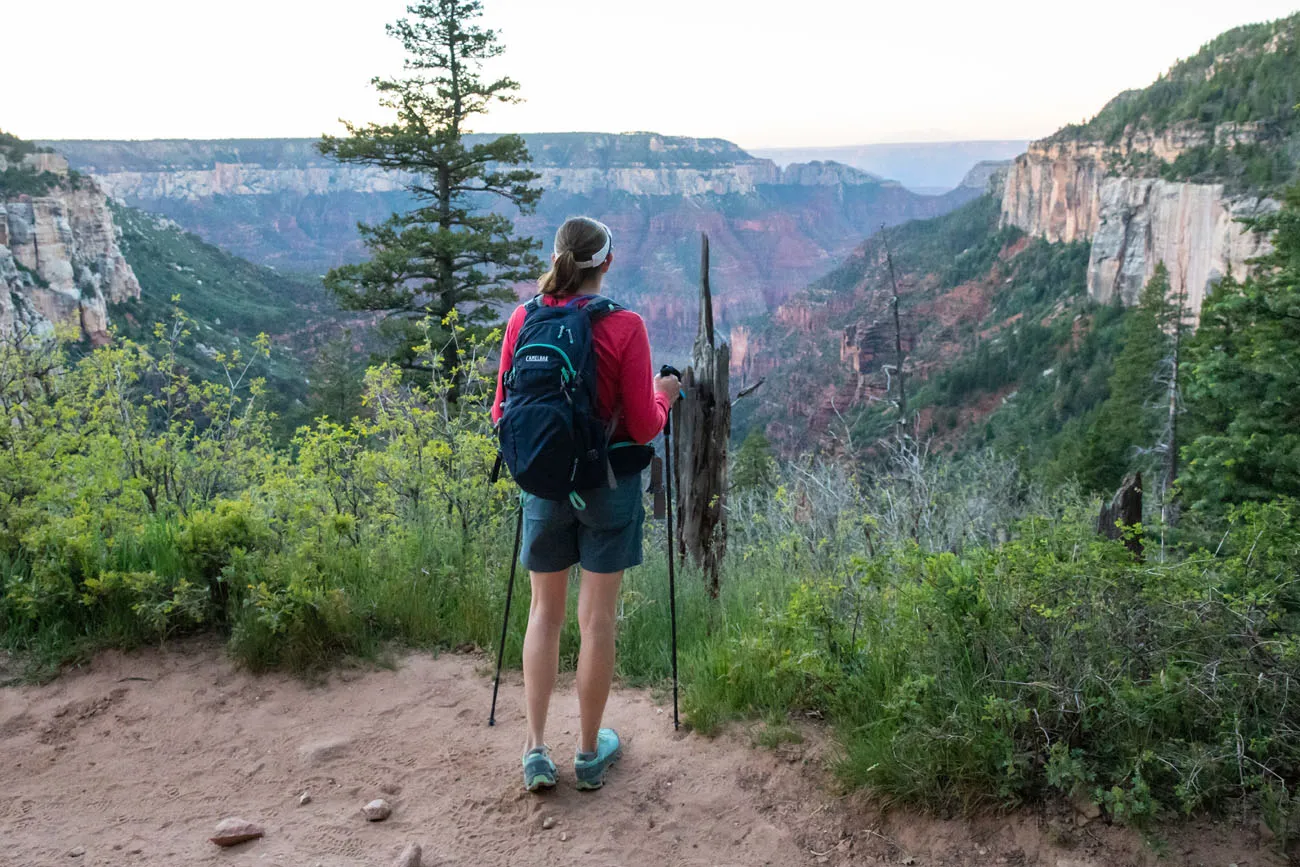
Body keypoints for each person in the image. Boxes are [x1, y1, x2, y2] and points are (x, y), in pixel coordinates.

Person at [491, 216, 681, 792]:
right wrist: (666, 396)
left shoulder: (523, 318)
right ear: (608, 263)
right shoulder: (626, 325)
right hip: (609, 487)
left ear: (558, 258)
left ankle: (534, 750)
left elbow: (502, 411)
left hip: (545, 486)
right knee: (596, 620)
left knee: (543, 615)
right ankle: (590, 752)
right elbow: (645, 425)